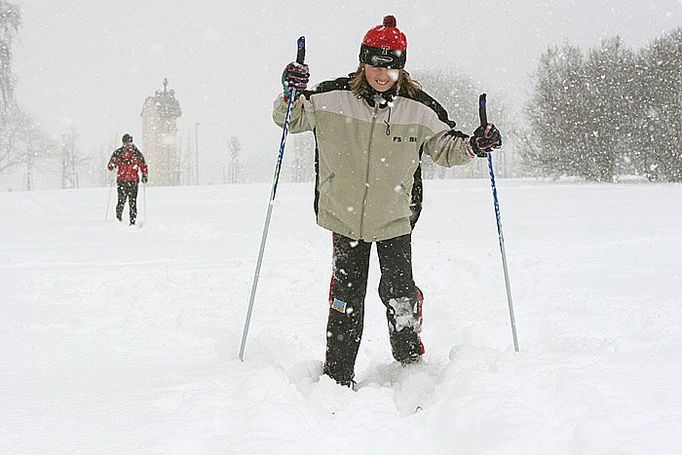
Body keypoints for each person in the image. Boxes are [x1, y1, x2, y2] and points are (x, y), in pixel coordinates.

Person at [272, 15, 502, 387]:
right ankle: (338, 374)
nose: (383, 72)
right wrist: (290, 91)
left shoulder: (418, 108)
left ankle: (409, 360)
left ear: (401, 67)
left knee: (399, 294)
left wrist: (475, 145)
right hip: (344, 219)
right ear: (363, 62)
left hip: (395, 217)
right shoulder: (332, 97)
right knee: (345, 301)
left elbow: (446, 147)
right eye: (376, 63)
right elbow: (290, 119)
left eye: (392, 65)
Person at [107, 133, 149, 225]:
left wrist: (145, 175)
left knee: (132, 203)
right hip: (121, 181)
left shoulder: (137, 153)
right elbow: (110, 166)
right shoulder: (118, 153)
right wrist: (112, 165)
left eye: (129, 143)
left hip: (133, 181)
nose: (128, 145)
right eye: (126, 143)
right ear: (123, 143)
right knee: (121, 202)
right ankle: (118, 220)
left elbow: (143, 165)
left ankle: (132, 222)